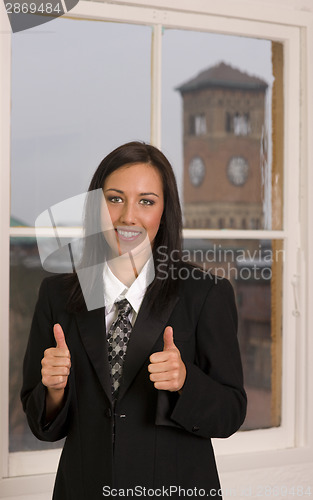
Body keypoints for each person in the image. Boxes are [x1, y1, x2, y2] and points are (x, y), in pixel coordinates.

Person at [21, 141, 247, 499]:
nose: (129, 216)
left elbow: (231, 412)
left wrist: (186, 381)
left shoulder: (205, 293)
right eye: (115, 198)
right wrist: (53, 391)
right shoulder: (57, 296)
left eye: (146, 201)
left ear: (164, 210)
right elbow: (43, 426)